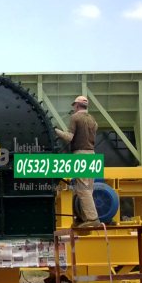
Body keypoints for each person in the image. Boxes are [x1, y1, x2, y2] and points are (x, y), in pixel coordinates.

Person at [55, 95, 100, 228]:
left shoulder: (75, 117)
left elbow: (69, 137)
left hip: (80, 154)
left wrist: (56, 131)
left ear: (77, 105)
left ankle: (92, 218)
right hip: (92, 154)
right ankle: (83, 218)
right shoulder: (92, 119)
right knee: (88, 188)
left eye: (74, 105)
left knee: (82, 189)